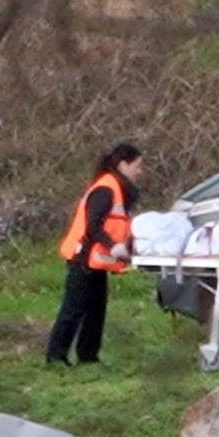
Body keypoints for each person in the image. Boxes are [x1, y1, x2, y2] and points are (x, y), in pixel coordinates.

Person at [45, 143, 144, 366]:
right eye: (137, 166)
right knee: (73, 309)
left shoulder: (116, 189)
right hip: (83, 258)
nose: (140, 171)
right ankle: (56, 356)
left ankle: (88, 356)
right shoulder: (106, 189)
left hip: (96, 261)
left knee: (95, 312)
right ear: (123, 164)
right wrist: (113, 246)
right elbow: (93, 225)